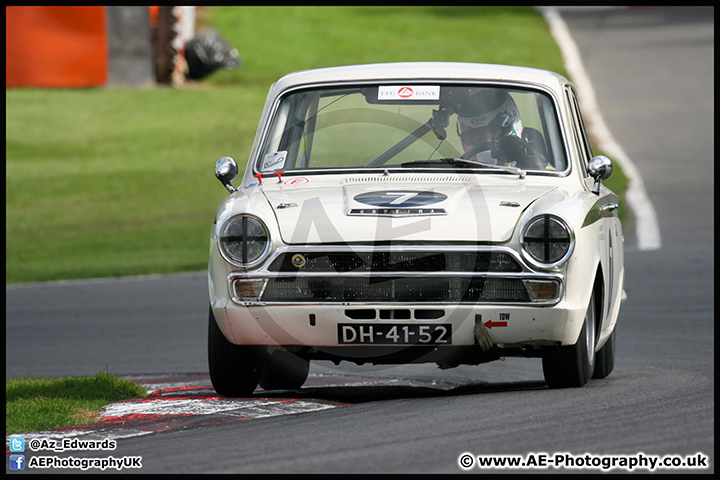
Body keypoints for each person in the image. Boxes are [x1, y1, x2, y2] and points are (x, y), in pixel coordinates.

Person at [456, 89, 550, 170]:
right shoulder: (456, 176)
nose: (487, 140)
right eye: (476, 136)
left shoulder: (537, 166)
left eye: (493, 131)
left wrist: (528, 162)